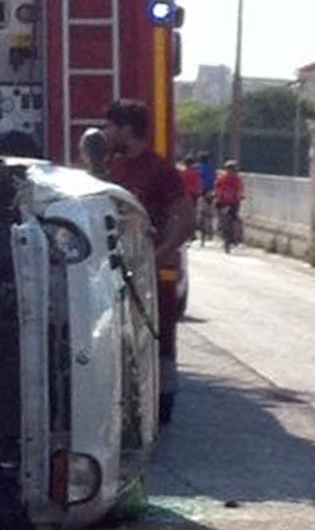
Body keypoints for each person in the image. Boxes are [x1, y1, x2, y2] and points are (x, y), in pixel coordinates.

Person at [103, 99, 194, 424]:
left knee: (152, 344)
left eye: (110, 126)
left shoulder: (160, 170)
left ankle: (157, 404)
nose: (105, 132)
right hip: (110, 274)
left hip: (144, 278)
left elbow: (185, 221)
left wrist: (156, 258)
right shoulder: (109, 166)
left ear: (127, 129)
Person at [214, 160, 244, 249]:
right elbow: (217, 188)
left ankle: (235, 237)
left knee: (234, 219)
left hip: (232, 202)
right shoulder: (225, 179)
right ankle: (229, 235)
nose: (231, 171)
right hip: (224, 202)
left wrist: (240, 196)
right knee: (224, 218)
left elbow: (240, 191)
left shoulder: (234, 180)